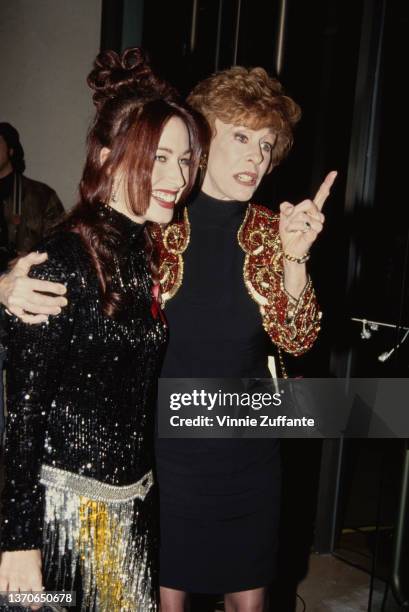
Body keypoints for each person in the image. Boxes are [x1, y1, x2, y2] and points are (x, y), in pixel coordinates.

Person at [0, 66, 336, 612]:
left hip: (247, 450)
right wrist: (7, 283)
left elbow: (297, 341)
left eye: (267, 145)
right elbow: (76, 257)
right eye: (241, 138)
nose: (255, 157)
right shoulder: (154, 222)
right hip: (161, 456)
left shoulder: (276, 230)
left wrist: (296, 260)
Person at [0, 47, 202, 611]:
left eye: (185, 160)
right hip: (70, 514)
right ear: (110, 158)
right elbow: (25, 410)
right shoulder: (63, 259)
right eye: (158, 158)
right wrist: (18, 540)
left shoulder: (142, 248)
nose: (176, 177)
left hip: (133, 502)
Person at [0, 122, 64, 440]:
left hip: (27, 299)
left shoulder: (40, 195)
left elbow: (60, 248)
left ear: (11, 149)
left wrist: (24, 261)